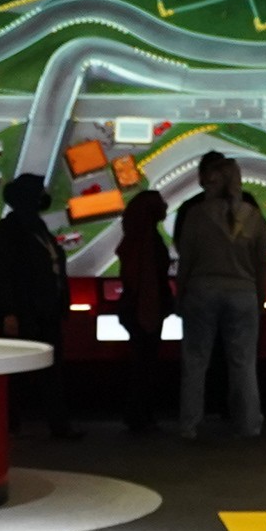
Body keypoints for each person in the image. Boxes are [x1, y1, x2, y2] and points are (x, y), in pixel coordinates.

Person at [171, 151, 266, 441]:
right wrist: (260, 299)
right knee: (244, 363)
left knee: (195, 361)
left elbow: (185, 260)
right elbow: (261, 264)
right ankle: (249, 423)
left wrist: (180, 295)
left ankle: (189, 424)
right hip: (243, 293)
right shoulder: (253, 216)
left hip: (202, 291)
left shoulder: (196, 214)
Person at [0, 171, 80, 440]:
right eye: (40, 193)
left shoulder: (37, 227)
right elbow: (2, 274)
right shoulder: (10, 230)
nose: (45, 197)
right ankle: (10, 425)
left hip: (45, 310)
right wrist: (9, 312)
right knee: (19, 374)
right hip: (24, 311)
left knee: (51, 370)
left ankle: (58, 426)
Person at [113, 184, 174, 433]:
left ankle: (140, 413)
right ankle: (139, 414)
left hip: (136, 307)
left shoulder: (136, 237)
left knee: (143, 363)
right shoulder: (147, 242)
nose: (165, 207)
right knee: (144, 364)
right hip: (143, 308)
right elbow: (149, 281)